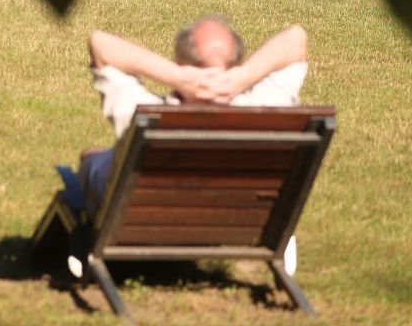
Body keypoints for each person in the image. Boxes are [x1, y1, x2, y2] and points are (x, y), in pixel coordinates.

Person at [77, 18, 308, 214]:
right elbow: (296, 39)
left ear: (180, 62)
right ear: (236, 63)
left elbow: (100, 43)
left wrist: (176, 77)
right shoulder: (264, 106)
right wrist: (244, 77)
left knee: (90, 160)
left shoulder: (145, 112)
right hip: (237, 215)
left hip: (146, 214)